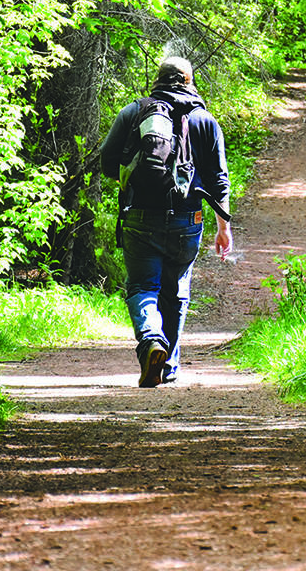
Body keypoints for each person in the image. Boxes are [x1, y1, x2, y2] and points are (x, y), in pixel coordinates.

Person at [99, 57, 233, 388]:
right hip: (188, 220)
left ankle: (150, 341)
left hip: (139, 217)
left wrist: (133, 178)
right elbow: (218, 180)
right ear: (188, 81)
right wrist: (223, 227)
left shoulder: (134, 112)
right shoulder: (205, 120)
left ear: (158, 79)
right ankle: (169, 364)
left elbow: (107, 162)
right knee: (176, 291)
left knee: (143, 287)